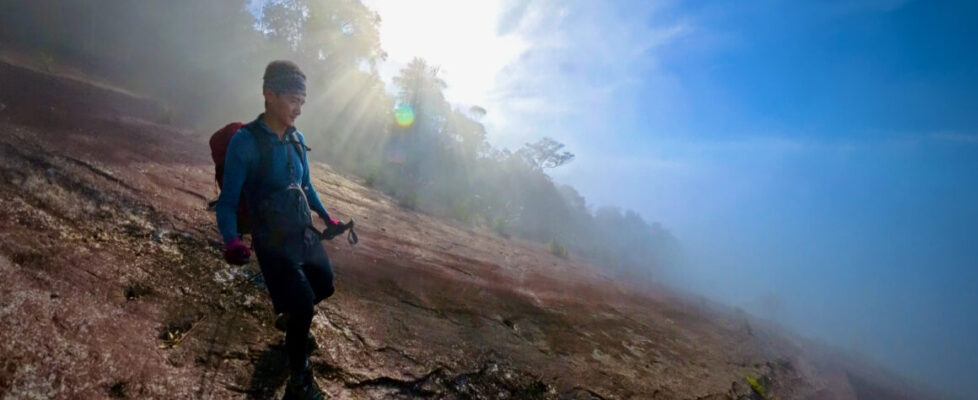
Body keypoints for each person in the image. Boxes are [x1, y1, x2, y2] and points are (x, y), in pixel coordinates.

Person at [216, 60, 340, 400]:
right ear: (269, 95)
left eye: (303, 101)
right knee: (302, 304)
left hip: (301, 232)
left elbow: (307, 186)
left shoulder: (297, 139)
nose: (299, 109)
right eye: (293, 100)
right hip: (271, 240)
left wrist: (328, 219)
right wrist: (231, 241)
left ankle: (290, 322)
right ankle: (299, 380)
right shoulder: (245, 142)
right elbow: (227, 202)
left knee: (325, 285)